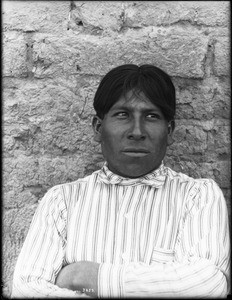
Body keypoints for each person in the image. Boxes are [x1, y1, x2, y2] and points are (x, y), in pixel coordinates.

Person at [12, 64, 230, 298]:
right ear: (98, 127)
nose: (137, 131)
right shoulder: (62, 202)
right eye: (123, 115)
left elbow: (208, 283)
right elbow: (26, 288)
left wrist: (88, 277)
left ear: (170, 130)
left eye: (151, 116)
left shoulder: (198, 197)